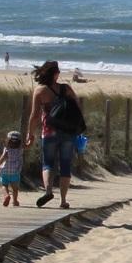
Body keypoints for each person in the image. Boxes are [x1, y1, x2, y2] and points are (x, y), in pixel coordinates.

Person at [25, 60, 86, 207]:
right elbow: (77, 108)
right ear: (56, 74)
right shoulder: (66, 89)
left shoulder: (40, 91)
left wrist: (30, 134)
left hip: (49, 131)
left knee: (48, 164)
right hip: (67, 132)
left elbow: (34, 115)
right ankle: (63, 201)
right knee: (65, 165)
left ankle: (47, 191)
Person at [0, 130, 26, 207]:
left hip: (5, 170)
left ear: (8, 140)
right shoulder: (20, 149)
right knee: (15, 188)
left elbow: (3, 157)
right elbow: (28, 145)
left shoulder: (6, 149)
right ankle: (15, 201)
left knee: (4, 185)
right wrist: (30, 140)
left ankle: (6, 195)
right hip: (15, 172)